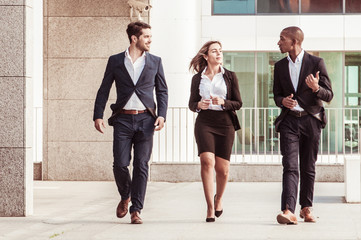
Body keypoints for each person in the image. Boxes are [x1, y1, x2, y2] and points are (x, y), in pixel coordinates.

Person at [93, 21, 168, 224]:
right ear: (134, 38)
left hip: (146, 119)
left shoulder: (155, 61)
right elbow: (104, 89)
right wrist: (97, 115)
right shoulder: (116, 61)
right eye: (146, 36)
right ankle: (125, 195)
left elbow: (162, 90)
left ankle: (136, 209)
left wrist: (162, 115)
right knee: (120, 164)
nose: (150, 40)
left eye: (150, 36)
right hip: (123, 119)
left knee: (142, 165)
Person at [273, 26, 333, 224]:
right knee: (290, 165)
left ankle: (306, 208)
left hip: (311, 120)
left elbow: (329, 95)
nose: (278, 42)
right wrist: (283, 101)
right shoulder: (279, 66)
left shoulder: (316, 63)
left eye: (282, 39)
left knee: (308, 166)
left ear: (294, 42)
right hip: (289, 120)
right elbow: (277, 95)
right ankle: (288, 210)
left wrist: (316, 88)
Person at [188, 41, 242, 222]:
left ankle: (218, 198)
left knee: (223, 169)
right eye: (214, 51)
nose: (219, 54)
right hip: (205, 122)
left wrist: (223, 102)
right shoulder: (197, 78)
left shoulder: (230, 76)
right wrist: (198, 105)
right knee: (206, 160)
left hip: (225, 123)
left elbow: (238, 103)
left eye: (220, 51)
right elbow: (191, 104)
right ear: (206, 56)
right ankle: (210, 208)